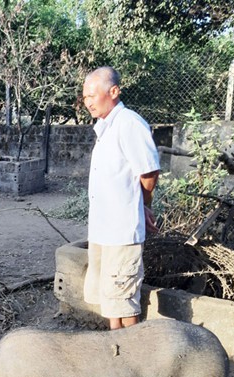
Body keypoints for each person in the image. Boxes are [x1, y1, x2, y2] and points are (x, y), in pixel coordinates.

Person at [82, 66, 160, 330]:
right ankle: (116, 351)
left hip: (121, 234)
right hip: (103, 232)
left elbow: (148, 172)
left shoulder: (129, 124)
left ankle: (131, 357)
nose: (88, 101)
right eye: (85, 97)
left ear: (113, 91)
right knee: (110, 299)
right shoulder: (104, 127)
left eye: (93, 95)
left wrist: (143, 205)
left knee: (124, 301)